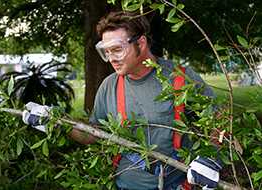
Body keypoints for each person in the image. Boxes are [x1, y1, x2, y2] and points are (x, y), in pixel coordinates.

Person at [22, 11, 221, 190]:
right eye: (106, 52)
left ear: (140, 43)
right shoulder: (109, 86)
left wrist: (212, 157)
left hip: (173, 185)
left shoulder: (180, 78)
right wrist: (57, 121)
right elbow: (93, 134)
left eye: (117, 49)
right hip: (123, 185)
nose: (111, 59)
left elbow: (219, 122)